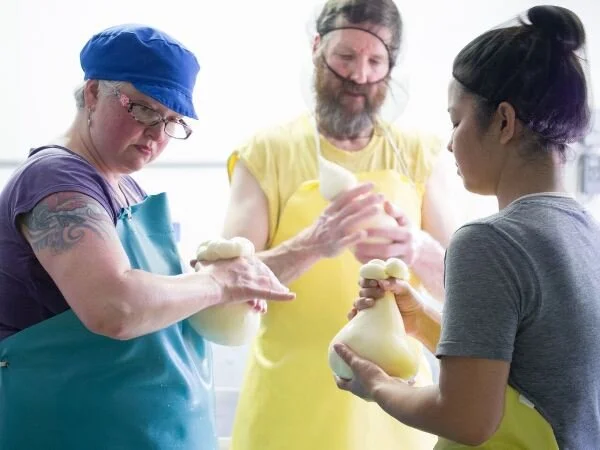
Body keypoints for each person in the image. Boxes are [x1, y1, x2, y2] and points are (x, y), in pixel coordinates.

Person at [0, 24, 294, 450]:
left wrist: (217, 291)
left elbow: (153, 306)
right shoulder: (55, 178)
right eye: (143, 110)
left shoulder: (127, 187)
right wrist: (219, 283)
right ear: (92, 93)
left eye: (173, 121)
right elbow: (115, 307)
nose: (157, 134)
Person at [334, 5, 600, 449]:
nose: (449, 142)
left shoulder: (489, 241)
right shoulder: (586, 233)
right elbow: (529, 373)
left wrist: (377, 385)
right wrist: (422, 320)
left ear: (504, 122)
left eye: (456, 121)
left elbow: (467, 418)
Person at [221, 0, 460, 448]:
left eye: (375, 62)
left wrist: (416, 248)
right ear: (317, 49)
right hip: (287, 404)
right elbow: (226, 290)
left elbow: (463, 291)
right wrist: (312, 244)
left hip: (396, 404)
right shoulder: (266, 152)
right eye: (346, 56)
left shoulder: (421, 154)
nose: (359, 75)